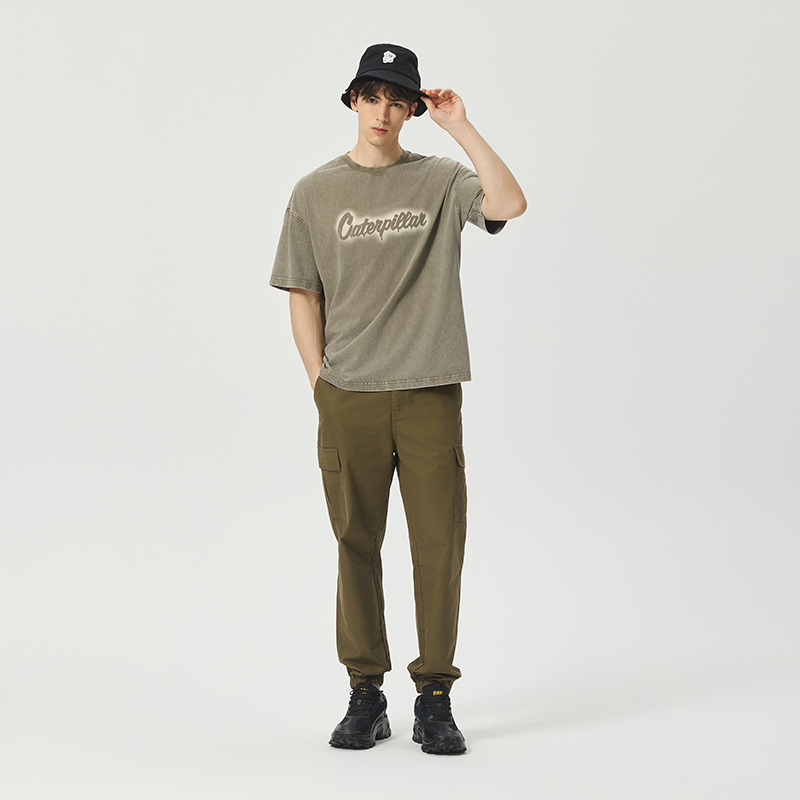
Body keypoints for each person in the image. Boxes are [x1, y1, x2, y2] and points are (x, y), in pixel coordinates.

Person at [270, 43, 526, 755]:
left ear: (412, 109)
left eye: (397, 100)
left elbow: (509, 204)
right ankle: (365, 692)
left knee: (439, 546)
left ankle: (435, 695)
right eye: (372, 97)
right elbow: (302, 292)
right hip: (348, 395)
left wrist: (459, 126)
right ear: (353, 101)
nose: (382, 112)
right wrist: (320, 383)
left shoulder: (441, 179)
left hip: (428, 393)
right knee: (355, 542)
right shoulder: (314, 191)